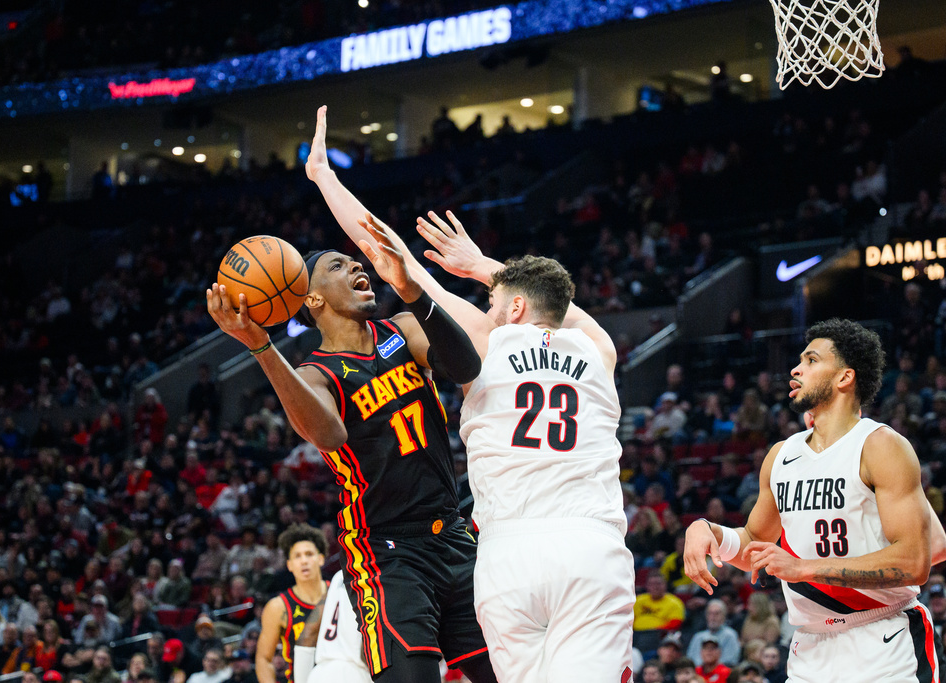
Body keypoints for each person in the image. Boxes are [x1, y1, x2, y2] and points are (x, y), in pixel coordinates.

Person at [310, 102, 635, 683]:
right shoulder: (598, 350)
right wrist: (487, 267)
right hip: (591, 542)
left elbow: (392, 256)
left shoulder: (488, 345)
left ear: (513, 309)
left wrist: (325, 179)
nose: (484, 308)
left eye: (490, 301)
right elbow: (560, 305)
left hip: (507, 554)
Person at [208, 105, 494, 683]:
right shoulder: (316, 372)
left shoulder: (403, 329)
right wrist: (261, 346)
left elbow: (465, 365)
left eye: (356, 262)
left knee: (506, 672)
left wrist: (413, 291)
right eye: (339, 267)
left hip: (456, 535)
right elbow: (328, 433)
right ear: (311, 299)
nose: (358, 268)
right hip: (386, 553)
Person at [684, 319, 946, 683]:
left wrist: (804, 568)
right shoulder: (780, 455)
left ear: (844, 377)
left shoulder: (880, 446)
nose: (796, 370)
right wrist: (710, 532)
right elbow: (755, 544)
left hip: (883, 641)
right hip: (809, 649)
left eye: (811, 360)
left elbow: (915, 562)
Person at [255, 525, 328, 683]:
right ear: (289, 565)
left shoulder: (339, 592)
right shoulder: (278, 607)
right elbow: (263, 659)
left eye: (309, 554)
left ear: (321, 559)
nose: (304, 561)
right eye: (297, 556)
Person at [290, 571, 371, 683]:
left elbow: (307, 635)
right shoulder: (381, 573)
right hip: (353, 672)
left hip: (319, 673)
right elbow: (368, 645)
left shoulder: (340, 575)